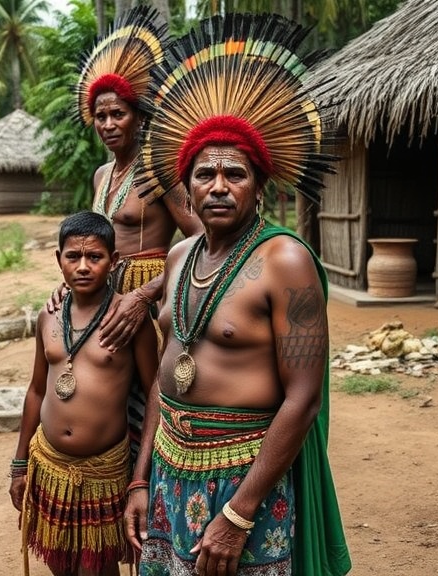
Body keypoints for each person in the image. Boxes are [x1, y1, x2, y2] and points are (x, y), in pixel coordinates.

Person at [122, 13, 351, 576]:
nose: (218, 186)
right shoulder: (179, 258)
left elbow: (303, 399)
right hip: (171, 471)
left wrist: (239, 513)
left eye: (235, 173)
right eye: (204, 174)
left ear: (259, 184)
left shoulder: (285, 262)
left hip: (246, 482)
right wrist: (140, 477)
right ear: (188, 185)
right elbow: (165, 375)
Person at [58, 5, 203, 466]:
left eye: (117, 113)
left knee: (154, 392)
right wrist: (71, 289)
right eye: (100, 116)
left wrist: (144, 294)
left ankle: (153, 492)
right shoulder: (102, 175)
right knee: (108, 394)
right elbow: (92, 242)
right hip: (104, 296)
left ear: (137, 116)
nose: (107, 125)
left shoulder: (160, 171)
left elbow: (201, 239)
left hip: (150, 299)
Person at [10, 211, 159, 576]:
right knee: (60, 564)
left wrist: (140, 476)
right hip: (49, 464)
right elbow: (36, 390)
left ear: (114, 261)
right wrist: (18, 464)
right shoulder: (49, 315)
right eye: (72, 257)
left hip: (104, 470)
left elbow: (155, 390)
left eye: (95, 257)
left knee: (99, 567)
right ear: (57, 259)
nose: (83, 267)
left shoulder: (128, 318)